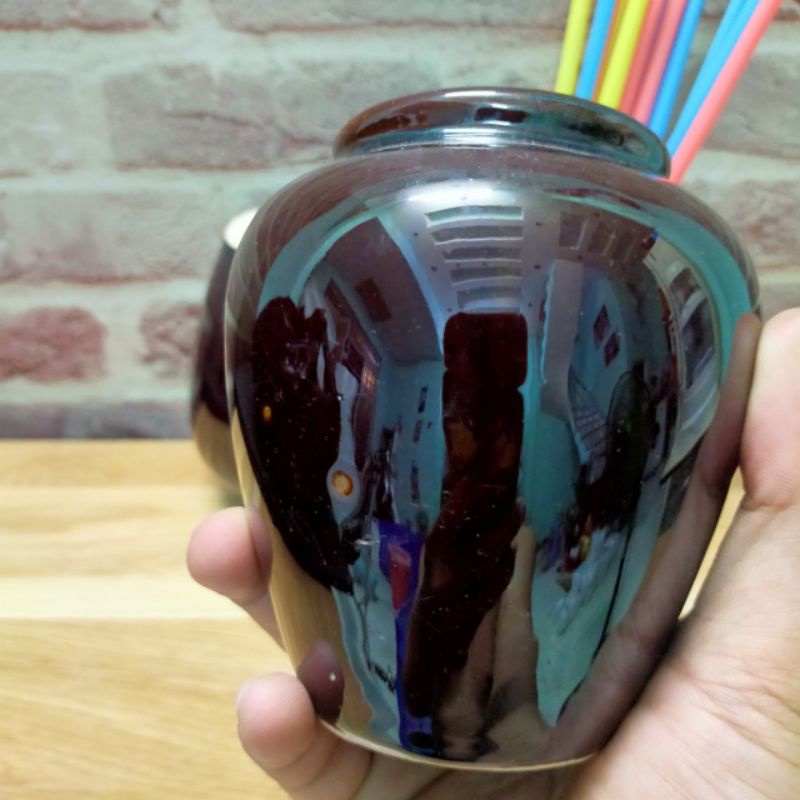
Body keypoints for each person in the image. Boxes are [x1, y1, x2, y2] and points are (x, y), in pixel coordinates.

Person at [187, 310, 800, 799]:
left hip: (507, 568)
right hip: (458, 553)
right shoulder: (465, 421)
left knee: (492, 575)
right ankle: (435, 692)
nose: (474, 382)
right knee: (450, 594)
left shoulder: (505, 426)